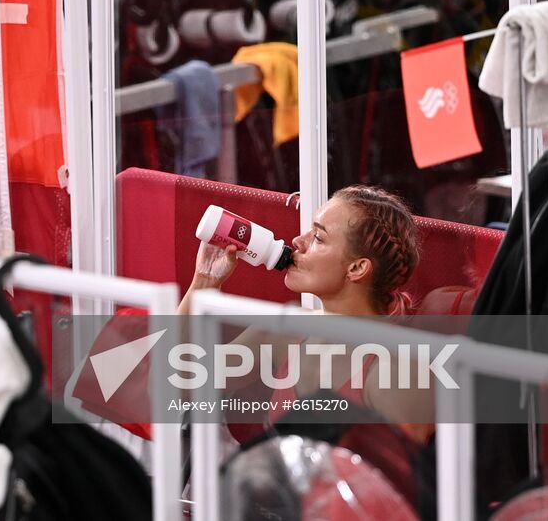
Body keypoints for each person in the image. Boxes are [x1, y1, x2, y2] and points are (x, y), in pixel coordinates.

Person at [178, 185, 431, 441]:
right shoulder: (285, 330)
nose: (298, 242)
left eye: (318, 238)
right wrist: (204, 281)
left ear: (357, 268)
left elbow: (416, 466)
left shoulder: (397, 371)